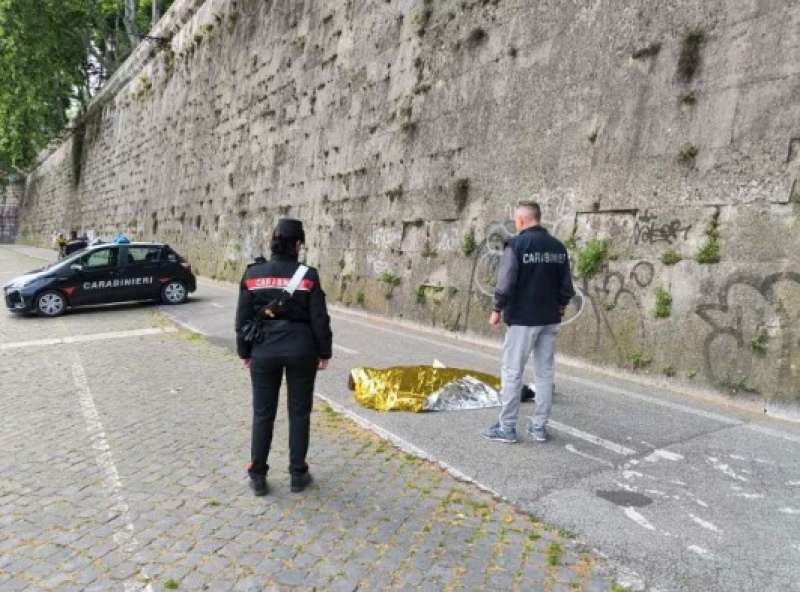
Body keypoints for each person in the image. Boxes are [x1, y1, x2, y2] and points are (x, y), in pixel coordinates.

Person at [235, 218, 333, 496]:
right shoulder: (308, 276)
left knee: (262, 413)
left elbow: (242, 318)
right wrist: (324, 352)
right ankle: (297, 474)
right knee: (299, 413)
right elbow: (320, 319)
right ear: (298, 243)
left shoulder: (253, 274)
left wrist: (245, 351)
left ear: (273, 241)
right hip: (302, 350)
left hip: (264, 350)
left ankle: (257, 476)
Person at [482, 201, 575, 444]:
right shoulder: (558, 247)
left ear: (522, 220)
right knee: (545, 373)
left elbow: (506, 282)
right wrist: (561, 306)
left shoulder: (517, 245)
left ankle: (508, 428)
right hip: (549, 319)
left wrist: (496, 309)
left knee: (512, 372)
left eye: (516, 220)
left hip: (523, 319)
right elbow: (567, 287)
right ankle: (539, 428)